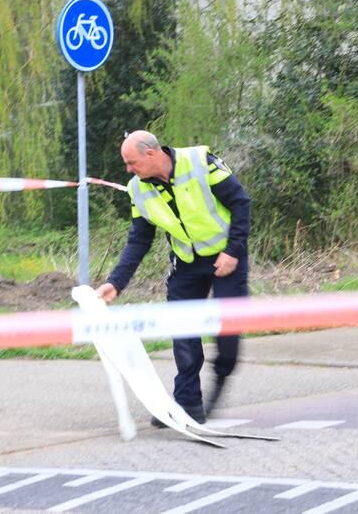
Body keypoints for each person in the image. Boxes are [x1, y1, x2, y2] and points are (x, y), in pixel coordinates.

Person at [96, 130, 251, 426]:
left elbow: (241, 202)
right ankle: (187, 402)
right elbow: (139, 240)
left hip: (226, 257)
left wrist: (234, 250)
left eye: (132, 162)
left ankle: (221, 377)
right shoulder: (137, 189)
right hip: (187, 263)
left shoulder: (199, 162)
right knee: (183, 332)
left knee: (228, 333)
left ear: (151, 153)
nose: (128, 170)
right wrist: (116, 282)